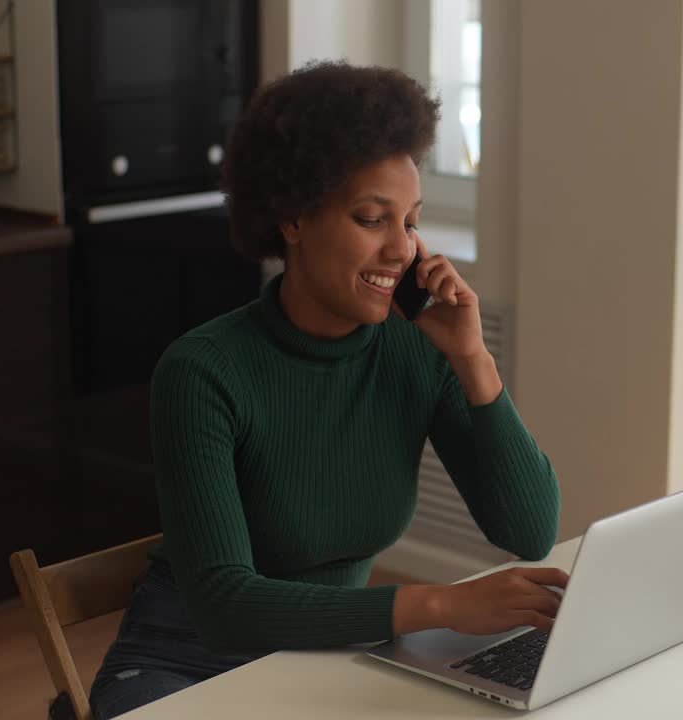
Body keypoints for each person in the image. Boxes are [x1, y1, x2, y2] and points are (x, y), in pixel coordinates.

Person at [88, 60, 564, 719]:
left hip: (328, 658)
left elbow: (531, 528)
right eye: (373, 220)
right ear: (292, 218)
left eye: (411, 222)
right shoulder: (202, 371)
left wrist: (473, 359)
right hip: (183, 668)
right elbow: (226, 606)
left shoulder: (416, 349)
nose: (402, 250)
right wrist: (442, 605)